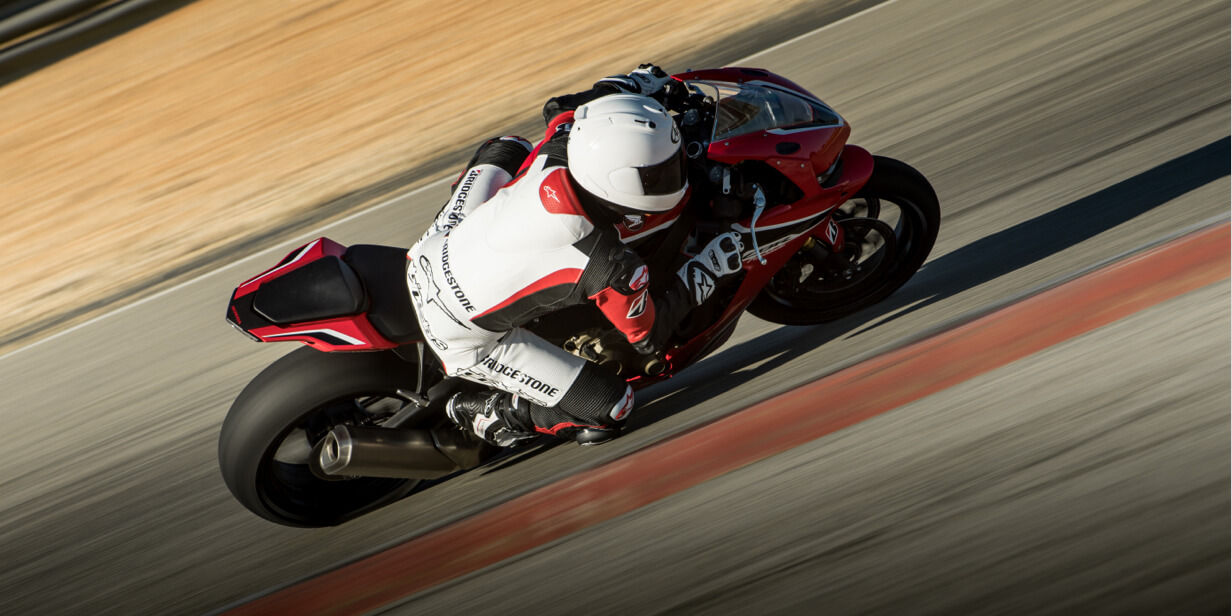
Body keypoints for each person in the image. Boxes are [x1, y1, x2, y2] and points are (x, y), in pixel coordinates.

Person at [405, 65, 743, 447]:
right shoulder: (607, 264)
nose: (674, 174)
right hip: (462, 337)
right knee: (612, 407)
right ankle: (494, 413)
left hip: (432, 250)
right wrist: (707, 267)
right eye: (660, 173)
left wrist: (630, 84)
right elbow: (650, 335)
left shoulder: (564, 148)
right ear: (620, 185)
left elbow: (563, 109)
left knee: (507, 145)